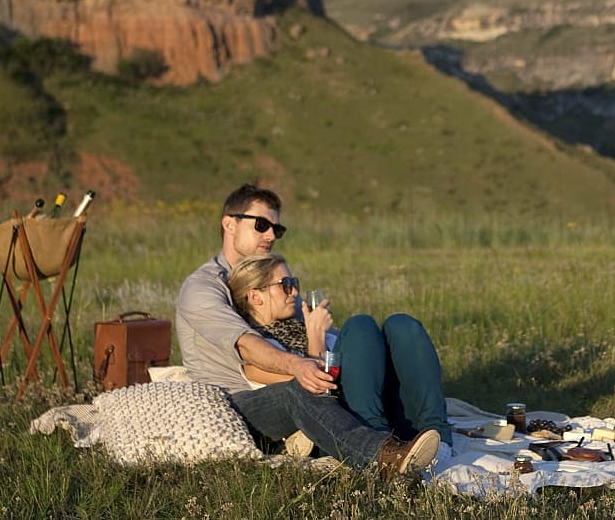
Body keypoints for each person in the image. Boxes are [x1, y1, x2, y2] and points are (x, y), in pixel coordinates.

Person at [175, 184, 439, 476]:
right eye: (261, 225)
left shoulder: (273, 279)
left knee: (373, 341)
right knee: (299, 391)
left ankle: (424, 435)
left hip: (289, 383)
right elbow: (246, 345)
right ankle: (380, 457)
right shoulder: (204, 288)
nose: (271, 235)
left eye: (277, 229)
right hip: (235, 404)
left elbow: (315, 340)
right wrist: (300, 364)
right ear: (229, 224)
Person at [226, 252, 453, 457]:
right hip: (352, 431)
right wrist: (315, 336)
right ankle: (381, 444)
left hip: (396, 411)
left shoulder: (303, 328)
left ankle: (439, 435)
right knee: (359, 325)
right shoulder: (262, 357)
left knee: (401, 325)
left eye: (294, 283)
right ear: (256, 297)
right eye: (285, 285)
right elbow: (317, 391)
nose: (294, 291)